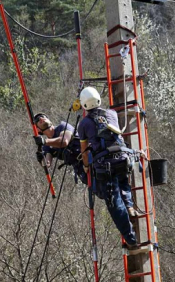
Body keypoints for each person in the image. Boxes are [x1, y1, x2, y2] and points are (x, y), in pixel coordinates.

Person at [77, 87, 139, 249]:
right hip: (123, 158)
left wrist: (85, 167)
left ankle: (130, 238)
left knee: (114, 203)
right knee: (124, 182)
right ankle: (130, 207)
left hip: (106, 165)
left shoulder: (84, 124)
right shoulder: (111, 113)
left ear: (84, 105)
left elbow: (84, 151)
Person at [32, 113, 86, 183]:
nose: (41, 119)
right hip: (80, 168)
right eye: (38, 120)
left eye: (42, 117)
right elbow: (47, 164)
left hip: (89, 157)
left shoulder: (62, 126)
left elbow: (64, 141)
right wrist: (40, 159)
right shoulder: (47, 146)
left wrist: (44, 141)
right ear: (38, 130)